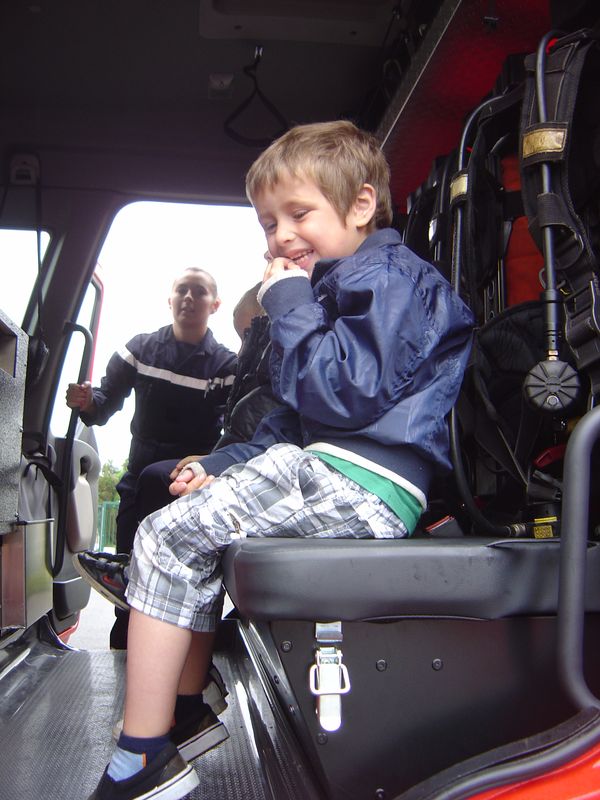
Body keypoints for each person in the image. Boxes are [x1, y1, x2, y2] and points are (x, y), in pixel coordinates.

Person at [87, 120, 474, 800]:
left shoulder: (389, 280)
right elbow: (292, 422)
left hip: (364, 482)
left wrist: (290, 302)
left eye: (299, 214)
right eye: (268, 223)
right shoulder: (335, 293)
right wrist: (221, 465)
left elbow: (346, 394)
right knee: (188, 528)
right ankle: (183, 710)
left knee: (163, 538)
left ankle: (143, 755)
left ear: (360, 205)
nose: (281, 237)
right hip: (331, 468)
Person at [67, 267, 237, 648]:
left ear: (215, 305)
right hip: (139, 480)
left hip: (193, 487)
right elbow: (103, 403)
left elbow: (236, 429)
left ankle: (191, 661)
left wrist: (211, 462)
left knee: (194, 585)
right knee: (129, 581)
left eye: (199, 291)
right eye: (182, 290)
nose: (189, 298)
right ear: (170, 299)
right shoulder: (140, 350)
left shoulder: (226, 366)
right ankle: (124, 650)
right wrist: (86, 401)